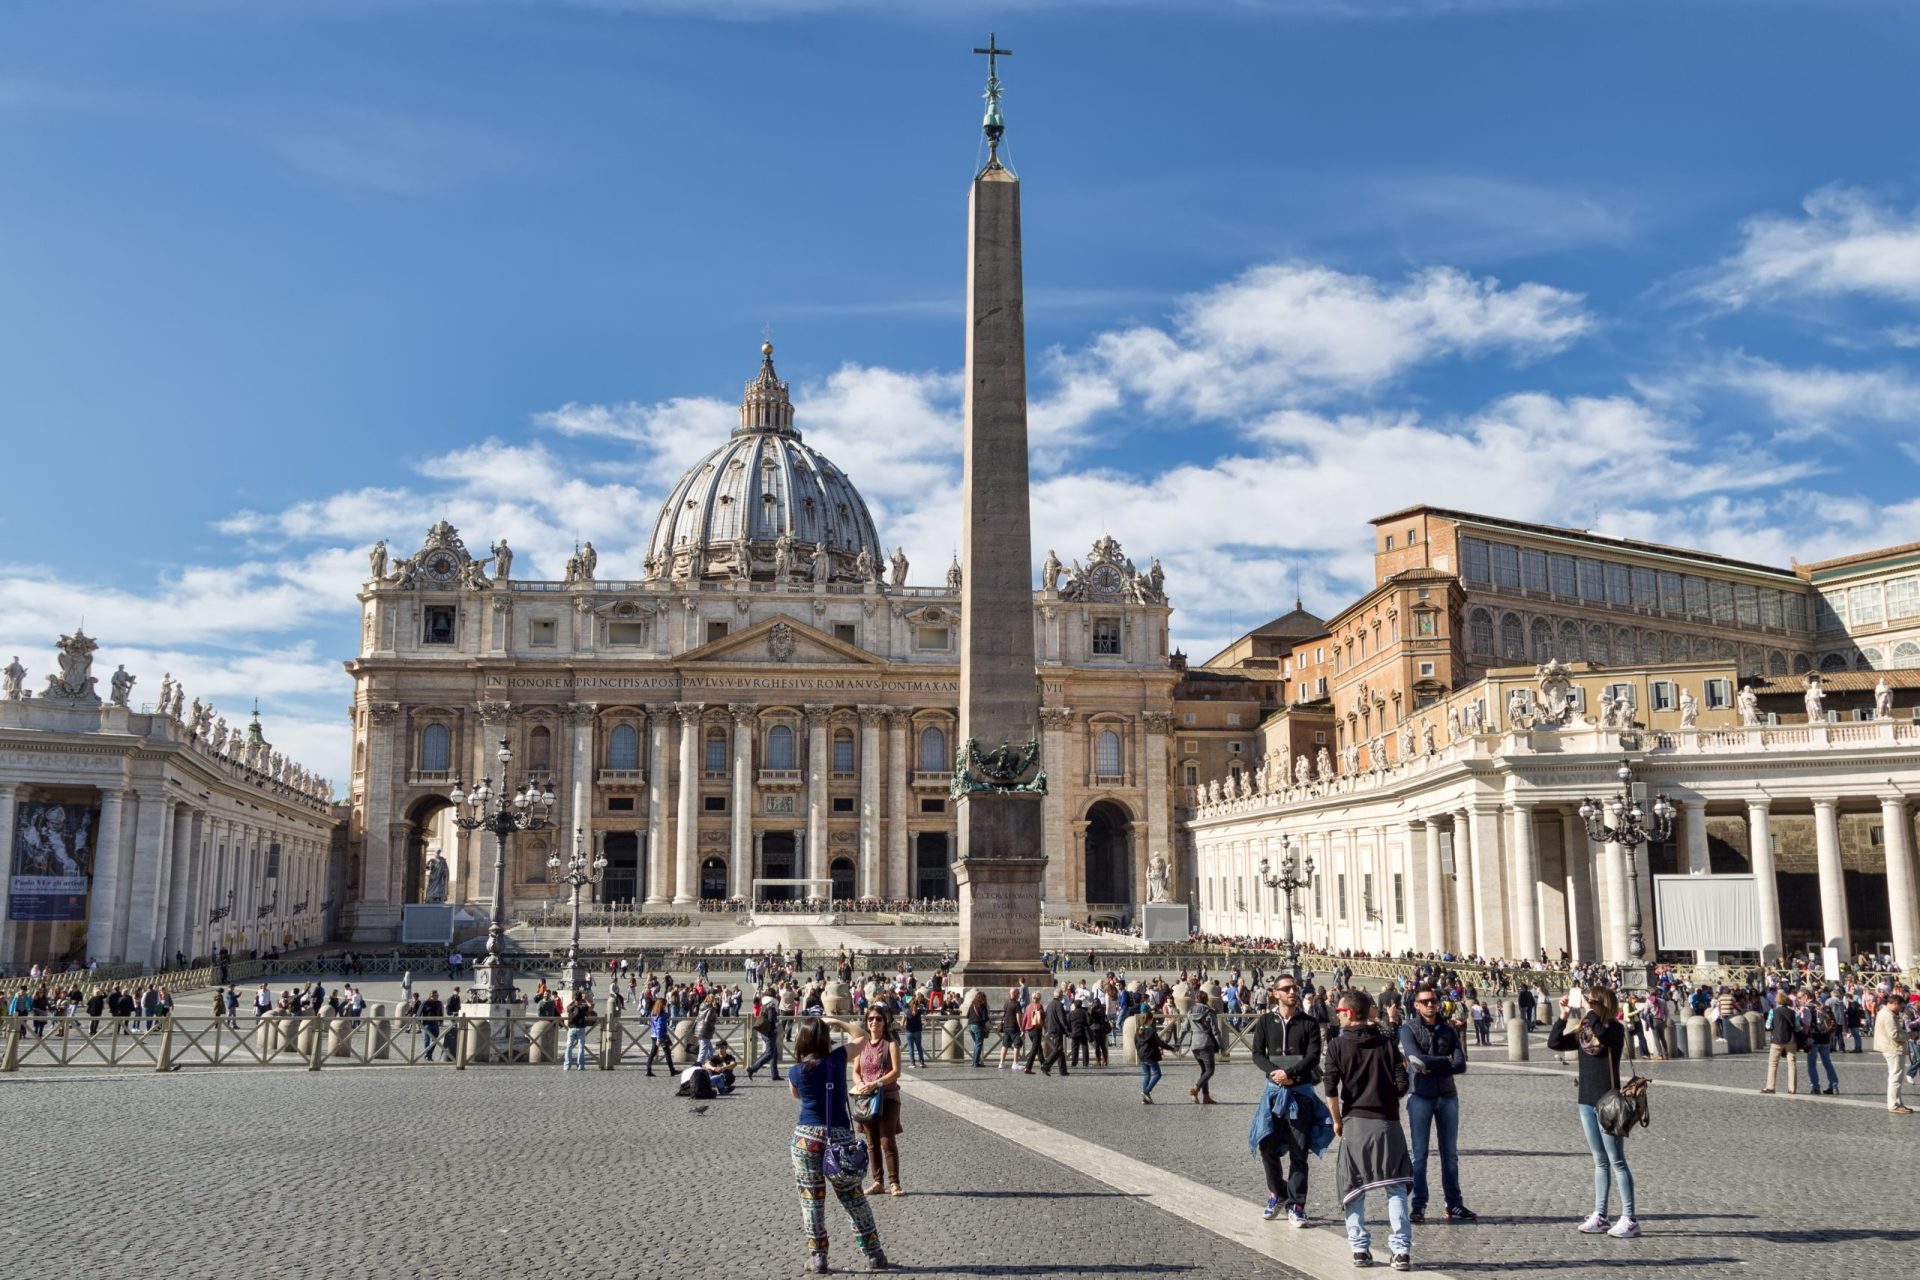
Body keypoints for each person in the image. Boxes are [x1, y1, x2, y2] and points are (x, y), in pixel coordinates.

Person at [786, 1015, 890, 1274]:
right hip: (839, 1138)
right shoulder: (837, 1059)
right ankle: (874, 1253)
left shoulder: (795, 1071)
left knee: (811, 1201)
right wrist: (836, 1021)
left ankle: (818, 1257)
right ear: (824, 1038)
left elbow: (796, 1094)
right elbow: (863, 1037)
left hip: (806, 1139)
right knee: (853, 1198)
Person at [1325, 989, 1415, 1271]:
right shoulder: (1387, 1043)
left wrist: (1337, 1120)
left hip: (1355, 1122)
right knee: (1396, 1187)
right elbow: (1403, 1083)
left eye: (1340, 1012)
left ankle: (1360, 1249)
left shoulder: (1337, 1046)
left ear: (1350, 1014)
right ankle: (1401, 1252)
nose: (1337, 1016)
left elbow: (1330, 1089)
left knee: (1353, 1187)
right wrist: (1387, 1098)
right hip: (1388, 1122)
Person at [1546, 986, 1639, 1238]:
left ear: (1603, 1004)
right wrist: (1563, 1015)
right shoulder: (1585, 1031)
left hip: (1609, 1102)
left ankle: (1629, 1218)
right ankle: (1601, 1215)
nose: (1587, 1003)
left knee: (1617, 1161)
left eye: (1592, 1000)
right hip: (1585, 1101)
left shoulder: (1614, 1029)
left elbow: (1603, 1034)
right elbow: (1554, 1042)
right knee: (1599, 1161)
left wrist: (1589, 1012)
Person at [1248, 973, 1323, 1226]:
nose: (1293, 991)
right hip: (1273, 1091)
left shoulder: (1309, 1023)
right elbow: (1257, 1054)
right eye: (1287, 988)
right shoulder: (1266, 1021)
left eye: (1295, 988)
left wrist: (1290, 1074)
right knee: (1266, 1145)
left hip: (1300, 1093)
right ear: (1275, 993)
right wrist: (1274, 1073)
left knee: (1298, 1151)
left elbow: (1313, 1056)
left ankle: (1297, 1204)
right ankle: (1277, 1192)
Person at [1399, 984, 1475, 1225]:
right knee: (1419, 1155)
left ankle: (1454, 1204)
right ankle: (1418, 1205)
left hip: (1447, 1095)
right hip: (1420, 1095)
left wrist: (1431, 1064)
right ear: (1416, 1004)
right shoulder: (1408, 1029)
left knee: (1450, 1155)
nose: (1430, 1004)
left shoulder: (1449, 1029)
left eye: (1433, 1000)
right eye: (1425, 1001)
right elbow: (1415, 1059)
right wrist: (1445, 1061)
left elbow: (1461, 1064)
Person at [852, 1006, 905, 1196]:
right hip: (866, 1099)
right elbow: (855, 1071)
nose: (874, 1022)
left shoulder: (891, 1044)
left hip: (888, 1097)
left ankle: (894, 1183)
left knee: (887, 1141)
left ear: (885, 1022)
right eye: (871, 1019)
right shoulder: (862, 1045)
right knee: (871, 1143)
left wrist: (876, 1083)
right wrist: (860, 1084)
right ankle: (877, 1182)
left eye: (878, 1019)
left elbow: (896, 1072)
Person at [1871, 992, 1913, 1115]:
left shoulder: (1885, 1012)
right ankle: (1894, 1104)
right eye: (1900, 1006)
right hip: (1893, 1048)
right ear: (1894, 1004)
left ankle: (1897, 1102)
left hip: (1890, 1047)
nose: (1901, 1009)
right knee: (1895, 1077)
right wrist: (1909, 1035)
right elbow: (1894, 1035)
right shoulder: (1888, 1016)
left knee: (1896, 1077)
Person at [1761, 990, 1800, 1095]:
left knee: (1773, 1063)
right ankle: (1792, 1089)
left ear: (1777, 1001)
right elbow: (1797, 1027)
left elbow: (1768, 1026)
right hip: (1790, 1040)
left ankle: (1770, 1087)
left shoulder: (1773, 1011)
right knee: (1792, 1064)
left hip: (1777, 1040)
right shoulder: (1793, 1012)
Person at [1186, 992, 1222, 1103]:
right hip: (1206, 1043)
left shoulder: (1190, 1011)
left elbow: (1184, 1028)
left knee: (1204, 1070)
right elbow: (1215, 1031)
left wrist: (1178, 1042)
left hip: (1194, 1044)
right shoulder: (1209, 1012)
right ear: (1206, 999)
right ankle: (1196, 1088)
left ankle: (1206, 1097)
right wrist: (1221, 1045)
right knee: (1210, 1071)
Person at [1136, 1007, 1168, 1103]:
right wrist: (1172, 1048)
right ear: (1150, 1020)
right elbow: (1160, 1043)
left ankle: (1145, 1099)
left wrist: (1139, 1052)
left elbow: (1136, 1043)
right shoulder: (1151, 1031)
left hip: (1142, 1055)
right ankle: (1146, 1091)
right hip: (1150, 1055)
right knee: (1157, 1074)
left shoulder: (1138, 1030)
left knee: (1147, 1075)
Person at [645, 998, 678, 1077]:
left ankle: (648, 1070)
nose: (665, 1006)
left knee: (652, 1053)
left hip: (653, 1035)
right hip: (661, 1036)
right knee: (667, 1053)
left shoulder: (653, 1012)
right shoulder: (661, 1015)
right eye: (665, 1004)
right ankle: (672, 1070)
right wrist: (659, 1039)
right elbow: (659, 1027)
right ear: (662, 1005)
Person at [565, 989, 593, 1071]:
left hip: (571, 1029)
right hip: (581, 1029)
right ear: (581, 998)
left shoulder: (571, 1007)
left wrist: (574, 1000)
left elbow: (566, 1007)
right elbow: (590, 1006)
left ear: (574, 997)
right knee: (581, 1047)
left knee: (569, 1047)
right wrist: (585, 999)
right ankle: (580, 1066)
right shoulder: (583, 1007)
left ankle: (567, 1065)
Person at [997, 987, 1023, 1069]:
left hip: (1006, 1027)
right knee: (1017, 1045)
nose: (1019, 995)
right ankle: (1015, 1063)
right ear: (1015, 994)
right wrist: (1021, 1027)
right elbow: (1018, 1016)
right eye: (1018, 993)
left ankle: (1001, 1063)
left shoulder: (1006, 1003)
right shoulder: (1016, 1004)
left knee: (1005, 1045)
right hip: (1014, 1027)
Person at [964, 990, 990, 1068]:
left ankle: (975, 1061)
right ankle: (976, 1062)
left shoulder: (972, 1005)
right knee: (978, 1044)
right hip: (978, 1026)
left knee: (976, 1044)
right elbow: (985, 1018)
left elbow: (967, 1015)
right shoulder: (982, 1006)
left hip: (970, 1026)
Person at [419, 990, 445, 1062]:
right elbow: (419, 1013)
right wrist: (419, 1024)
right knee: (426, 1041)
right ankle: (427, 1056)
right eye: (436, 996)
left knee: (435, 1041)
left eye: (438, 995)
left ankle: (429, 1055)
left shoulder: (439, 1003)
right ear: (431, 996)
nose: (437, 997)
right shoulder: (425, 1003)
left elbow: (441, 1012)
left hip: (435, 1024)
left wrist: (441, 1021)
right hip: (426, 1025)